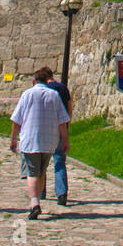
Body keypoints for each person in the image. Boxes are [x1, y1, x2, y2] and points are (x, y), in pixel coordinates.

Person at [9, 68, 70, 219]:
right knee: (41, 172)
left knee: (32, 172)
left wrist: (13, 139)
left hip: (30, 140)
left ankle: (34, 203)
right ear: (48, 81)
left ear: (33, 81)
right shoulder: (54, 95)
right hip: (49, 140)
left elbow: (17, 120)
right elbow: (63, 121)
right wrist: (65, 140)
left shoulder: (27, 94)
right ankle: (37, 200)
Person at [41, 68, 73, 205]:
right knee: (59, 161)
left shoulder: (43, 90)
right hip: (61, 127)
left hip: (46, 129)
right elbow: (69, 108)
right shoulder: (63, 89)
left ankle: (41, 192)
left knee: (42, 163)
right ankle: (62, 193)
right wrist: (67, 125)